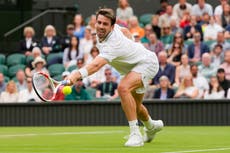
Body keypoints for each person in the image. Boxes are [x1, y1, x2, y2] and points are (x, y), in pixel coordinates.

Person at [67, 8, 163, 147]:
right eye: (99, 22)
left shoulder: (113, 43)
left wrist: (75, 75)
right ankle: (151, 126)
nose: (100, 26)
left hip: (146, 63)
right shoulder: (112, 30)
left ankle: (135, 135)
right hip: (131, 67)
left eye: (105, 24)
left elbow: (95, 65)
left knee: (123, 88)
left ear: (111, 27)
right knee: (135, 107)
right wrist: (131, 45)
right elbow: (124, 30)